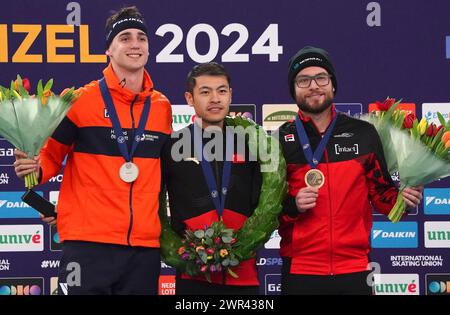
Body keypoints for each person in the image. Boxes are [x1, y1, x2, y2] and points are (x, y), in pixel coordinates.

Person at [13, 6, 172, 295]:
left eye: (141, 37)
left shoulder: (162, 108)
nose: (135, 44)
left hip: (143, 249)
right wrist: (33, 169)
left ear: (148, 48)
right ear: (108, 50)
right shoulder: (81, 101)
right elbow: (50, 155)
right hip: (88, 246)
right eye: (124, 37)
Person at [275, 46, 423, 295]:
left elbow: (382, 197)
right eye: (303, 80)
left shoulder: (363, 133)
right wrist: (293, 204)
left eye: (321, 77)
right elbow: (268, 209)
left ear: (333, 85)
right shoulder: (280, 139)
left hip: (354, 268)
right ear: (294, 90)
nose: (313, 86)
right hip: (300, 270)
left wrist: (405, 201)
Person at [161, 62, 262, 295]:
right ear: (189, 98)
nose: (215, 98)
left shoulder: (252, 144)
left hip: (244, 274)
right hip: (192, 275)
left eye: (222, 91)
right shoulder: (171, 146)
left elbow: (264, 203)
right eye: (205, 92)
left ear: (230, 95)